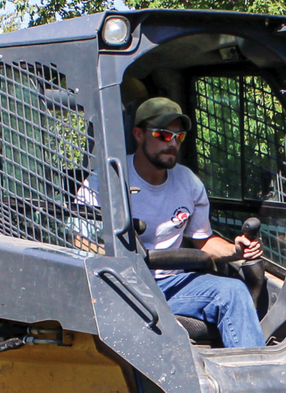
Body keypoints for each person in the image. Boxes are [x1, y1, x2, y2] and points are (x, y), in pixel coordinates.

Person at [79, 97, 265, 348]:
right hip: (122, 285)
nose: (172, 143)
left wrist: (236, 250)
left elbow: (203, 241)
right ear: (139, 134)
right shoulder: (105, 180)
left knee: (233, 292)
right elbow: (78, 239)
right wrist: (120, 263)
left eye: (178, 137)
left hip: (173, 284)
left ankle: (252, 381)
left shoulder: (187, 182)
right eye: (162, 135)